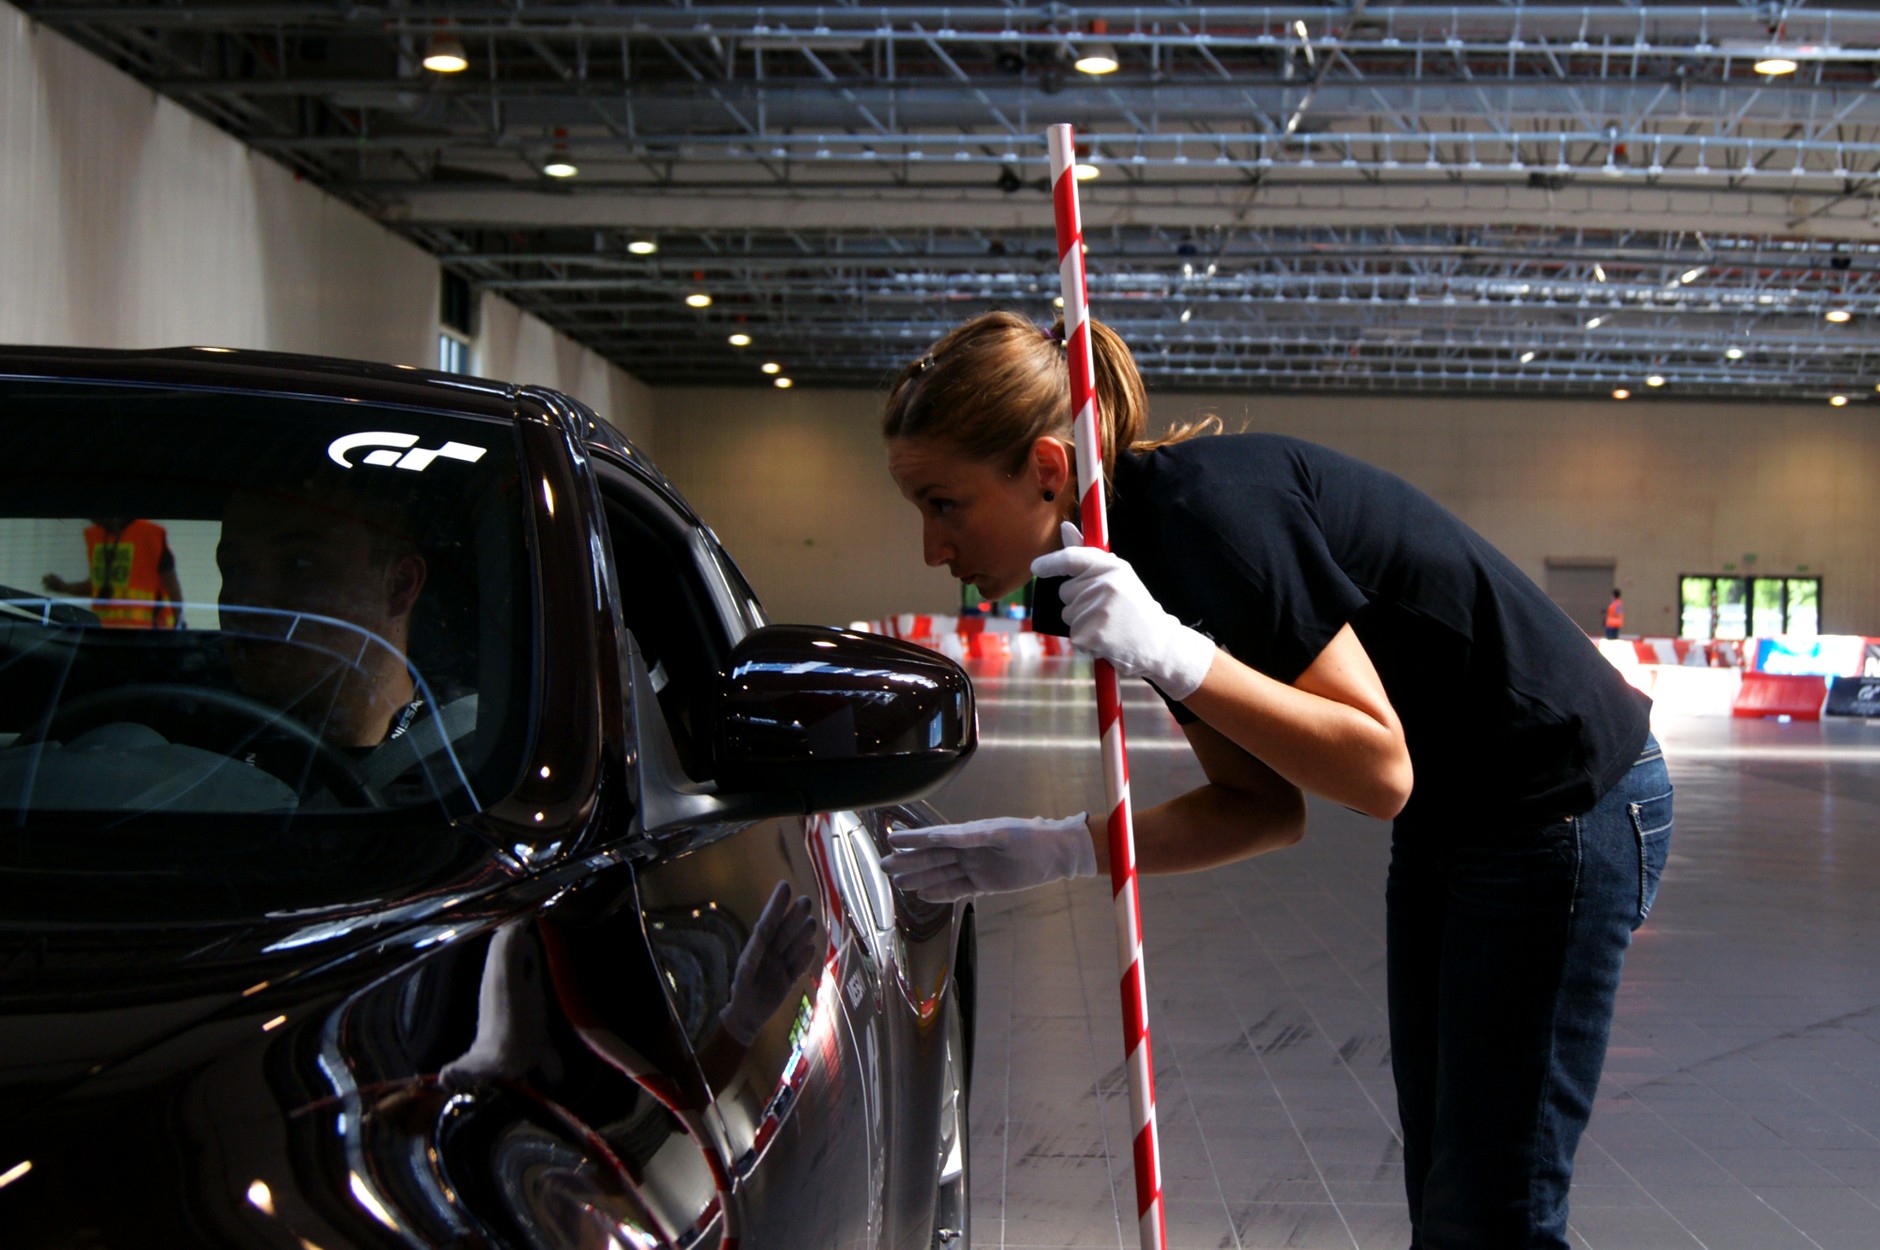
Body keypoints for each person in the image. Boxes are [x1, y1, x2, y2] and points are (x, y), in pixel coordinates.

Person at [877, 310, 1672, 1250]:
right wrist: (1054, 847)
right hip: (1462, 819)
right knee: (1450, 1193)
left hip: (1565, 803)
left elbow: (1377, 770)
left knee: (1492, 1214)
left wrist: (1173, 653)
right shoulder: (1121, 567)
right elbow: (1260, 808)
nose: (932, 547)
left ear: (1048, 470)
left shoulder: (1206, 519)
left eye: (943, 503)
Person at [214, 482, 429, 749]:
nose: (245, 601)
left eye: (299, 565)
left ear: (399, 585)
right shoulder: (192, 745)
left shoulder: (472, 756)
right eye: (233, 569)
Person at [42, 516, 184, 628]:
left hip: (145, 640)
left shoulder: (149, 534)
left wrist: (179, 628)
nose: (92, 520)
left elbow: (173, 587)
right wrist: (63, 587)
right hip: (104, 637)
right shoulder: (95, 536)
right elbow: (97, 586)